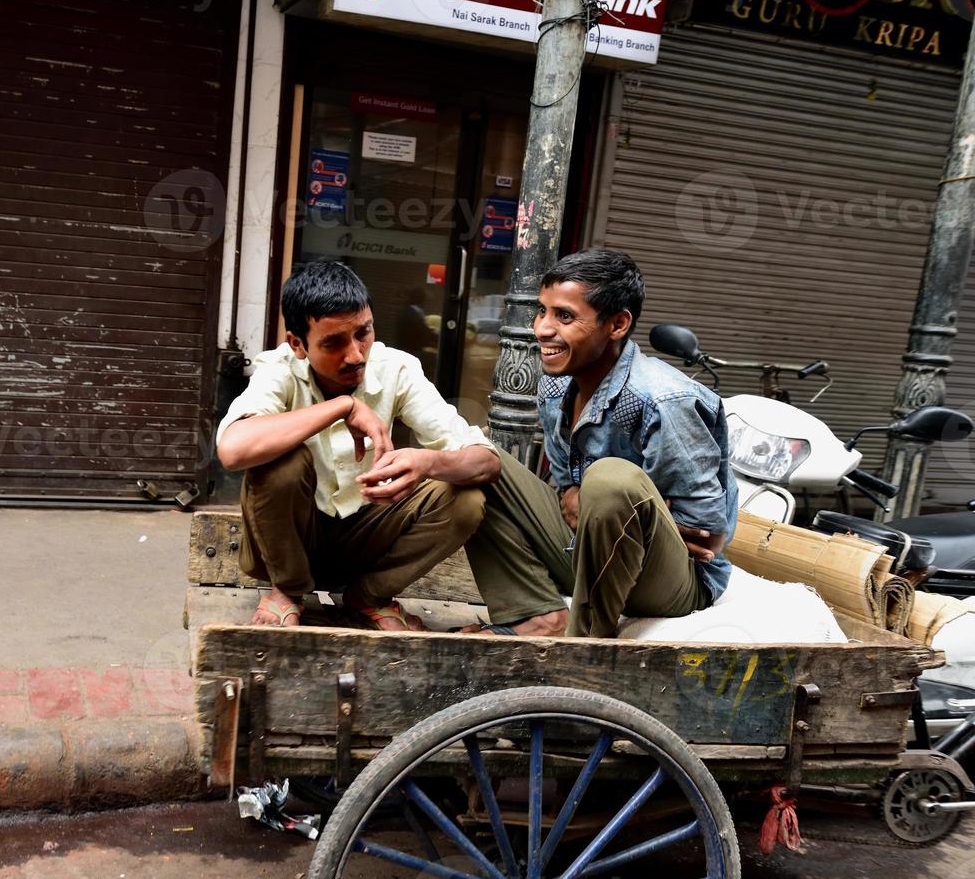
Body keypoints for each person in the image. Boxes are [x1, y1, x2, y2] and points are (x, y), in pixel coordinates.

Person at [464, 249, 738, 639]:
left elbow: (706, 537)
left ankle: (587, 640)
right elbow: (566, 492)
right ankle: (535, 614)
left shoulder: (665, 400)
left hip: (675, 583)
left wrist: (609, 503)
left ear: (617, 324)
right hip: (588, 551)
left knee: (610, 480)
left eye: (565, 316)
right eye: (541, 312)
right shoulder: (556, 386)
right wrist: (599, 505)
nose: (542, 329)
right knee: (475, 458)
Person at [215, 260, 496, 632]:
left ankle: (369, 596)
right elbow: (234, 450)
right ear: (297, 344)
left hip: (368, 537)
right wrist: (342, 407)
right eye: (333, 343)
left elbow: (485, 461)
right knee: (279, 462)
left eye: (363, 333)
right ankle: (287, 591)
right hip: (292, 541)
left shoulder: (396, 368)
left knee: (466, 498)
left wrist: (424, 462)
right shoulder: (279, 369)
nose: (355, 355)